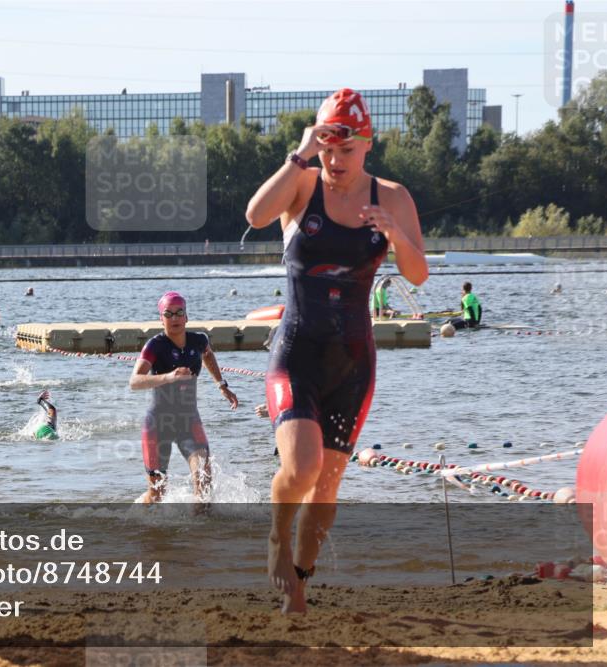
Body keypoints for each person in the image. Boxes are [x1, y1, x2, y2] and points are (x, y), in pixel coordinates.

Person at [245, 88, 427, 612]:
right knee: (299, 468)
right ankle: (278, 541)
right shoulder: (301, 182)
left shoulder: (392, 196)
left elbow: (418, 273)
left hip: (352, 362)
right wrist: (299, 155)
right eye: (327, 148)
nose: (335, 160)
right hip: (297, 353)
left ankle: (299, 581)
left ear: (366, 146)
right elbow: (257, 215)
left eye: (346, 151)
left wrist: (395, 234)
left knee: (326, 486)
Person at [129, 291, 239, 504]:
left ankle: (199, 535)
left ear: (186, 317)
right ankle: (134, 517)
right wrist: (169, 377)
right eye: (168, 313)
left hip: (189, 421)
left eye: (180, 312)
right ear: (161, 319)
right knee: (157, 495)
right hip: (158, 424)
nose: (175, 318)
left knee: (204, 483)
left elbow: (207, 354)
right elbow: (134, 381)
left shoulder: (199, 340)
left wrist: (221, 384)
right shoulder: (155, 345)